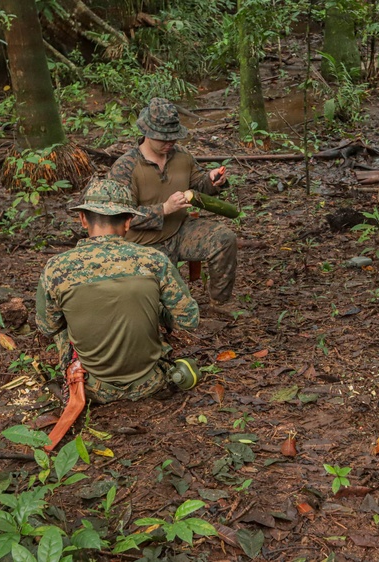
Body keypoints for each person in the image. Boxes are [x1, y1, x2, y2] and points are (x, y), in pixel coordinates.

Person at [36, 177, 201, 406]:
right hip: (151, 381)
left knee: (61, 326)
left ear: (83, 219)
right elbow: (189, 319)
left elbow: (47, 327)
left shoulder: (57, 268)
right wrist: (155, 309)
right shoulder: (153, 260)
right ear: (127, 222)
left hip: (92, 387)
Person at [109, 97, 238, 316]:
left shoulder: (181, 156)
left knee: (224, 239)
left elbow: (198, 184)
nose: (169, 143)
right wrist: (164, 209)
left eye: (173, 138)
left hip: (180, 231)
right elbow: (119, 216)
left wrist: (212, 180)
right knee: (170, 309)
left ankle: (220, 303)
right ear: (148, 132)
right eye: (163, 138)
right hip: (145, 244)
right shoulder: (126, 167)